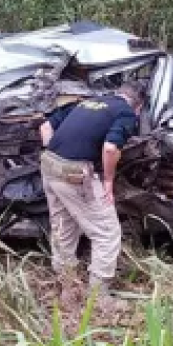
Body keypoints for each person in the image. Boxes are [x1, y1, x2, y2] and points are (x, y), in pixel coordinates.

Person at [39, 80, 148, 313]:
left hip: (49, 166)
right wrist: (108, 181)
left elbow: (45, 127)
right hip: (74, 175)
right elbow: (110, 148)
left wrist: (60, 154)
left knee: (63, 229)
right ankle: (100, 299)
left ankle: (68, 290)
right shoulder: (126, 113)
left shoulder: (87, 102)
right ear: (139, 106)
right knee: (106, 233)